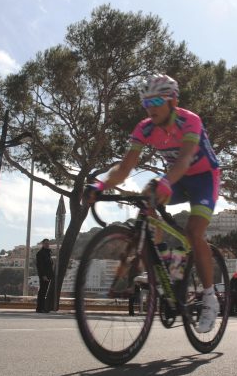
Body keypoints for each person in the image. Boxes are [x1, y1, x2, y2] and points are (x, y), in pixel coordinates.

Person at [84, 73, 221, 333]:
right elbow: (124, 168)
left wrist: (167, 182)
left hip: (204, 178)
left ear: (173, 100)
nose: (151, 107)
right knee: (147, 194)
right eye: (146, 102)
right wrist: (100, 183)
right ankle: (161, 259)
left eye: (157, 100)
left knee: (193, 231)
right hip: (177, 179)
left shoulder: (190, 120)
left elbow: (184, 158)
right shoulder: (145, 127)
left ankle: (210, 297)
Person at [35, 239, 54, 313]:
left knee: (44, 291)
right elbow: (40, 266)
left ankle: (42, 307)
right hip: (44, 275)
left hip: (48, 275)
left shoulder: (48, 253)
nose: (47, 244)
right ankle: (39, 308)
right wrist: (43, 275)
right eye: (46, 243)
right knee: (42, 292)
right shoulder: (40, 253)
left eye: (48, 243)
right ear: (43, 244)